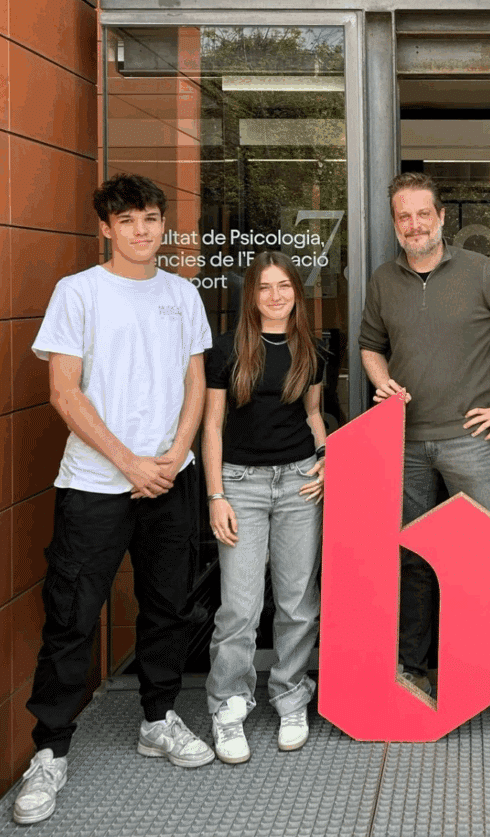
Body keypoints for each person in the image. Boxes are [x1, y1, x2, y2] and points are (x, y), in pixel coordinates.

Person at [15, 175, 214, 826]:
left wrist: (173, 456)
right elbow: (64, 393)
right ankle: (49, 751)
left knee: (170, 606)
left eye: (151, 218)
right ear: (106, 227)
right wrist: (130, 462)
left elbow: (195, 383)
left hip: (170, 482)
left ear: (163, 225)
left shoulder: (182, 294)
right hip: (95, 486)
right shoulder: (78, 293)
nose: (141, 230)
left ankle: (157, 718)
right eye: (127, 220)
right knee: (72, 617)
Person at [360, 172, 490, 737]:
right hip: (406, 445)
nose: (414, 225)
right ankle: (414, 672)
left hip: (469, 443)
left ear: (441, 217)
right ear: (395, 224)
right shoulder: (383, 281)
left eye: (423, 214)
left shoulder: (477, 272)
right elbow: (372, 346)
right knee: (414, 562)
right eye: (404, 217)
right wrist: (382, 381)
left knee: (486, 564)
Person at [202, 251, 327, 763]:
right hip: (241, 486)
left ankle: (290, 696)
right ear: (250, 296)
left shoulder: (312, 349)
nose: (275, 296)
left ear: (296, 292)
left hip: (300, 485)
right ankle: (229, 705)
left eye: (284, 286)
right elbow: (211, 427)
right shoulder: (227, 350)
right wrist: (216, 496)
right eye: (264, 288)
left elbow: (315, 414)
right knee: (240, 607)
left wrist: (325, 460)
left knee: (297, 601)